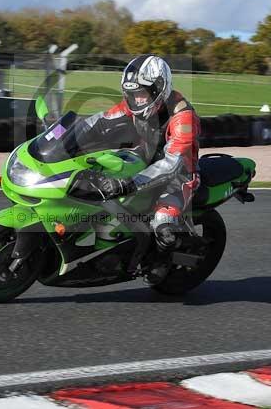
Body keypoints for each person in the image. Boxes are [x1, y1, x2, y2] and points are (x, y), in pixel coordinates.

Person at [82, 55, 201, 283]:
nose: (136, 100)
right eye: (132, 94)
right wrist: (65, 135)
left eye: (142, 94)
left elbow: (173, 163)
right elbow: (99, 120)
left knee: (162, 224)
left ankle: (162, 260)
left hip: (179, 176)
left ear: (159, 90)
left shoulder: (183, 118)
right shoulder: (134, 104)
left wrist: (132, 183)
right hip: (142, 160)